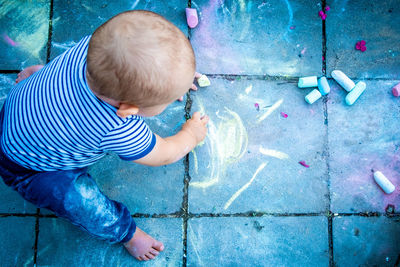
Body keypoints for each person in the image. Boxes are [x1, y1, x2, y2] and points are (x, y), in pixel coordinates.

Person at [0, 10, 208, 261]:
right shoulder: (117, 127)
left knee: (46, 76)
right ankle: (126, 234)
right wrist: (191, 134)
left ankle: (37, 75)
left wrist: (169, 82)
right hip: (29, 170)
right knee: (79, 201)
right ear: (129, 110)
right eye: (163, 100)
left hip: (16, 113)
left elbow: (137, 66)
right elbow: (164, 153)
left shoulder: (89, 48)